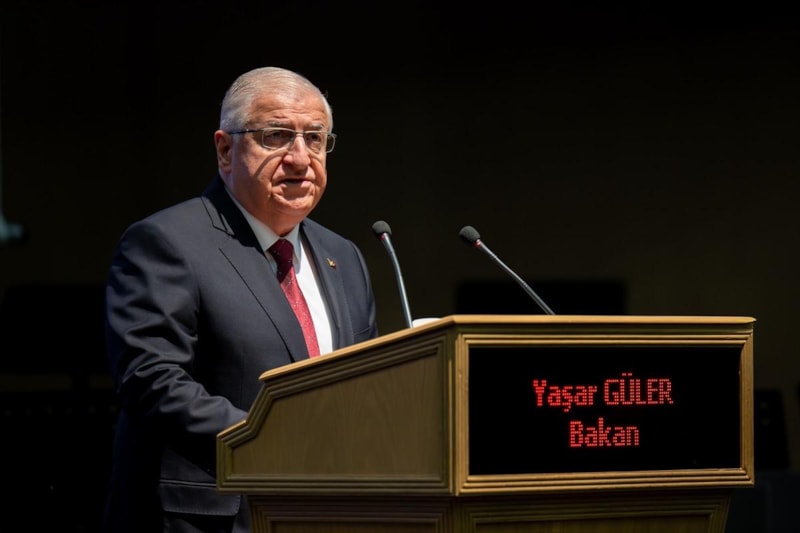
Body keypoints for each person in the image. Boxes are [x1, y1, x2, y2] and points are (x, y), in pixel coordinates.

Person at [102, 66, 379, 532]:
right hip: (210, 518)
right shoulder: (166, 242)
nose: (300, 158)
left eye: (315, 139)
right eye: (276, 136)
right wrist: (270, 440)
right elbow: (150, 379)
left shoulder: (344, 256)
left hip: (325, 513)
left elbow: (366, 384)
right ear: (225, 149)